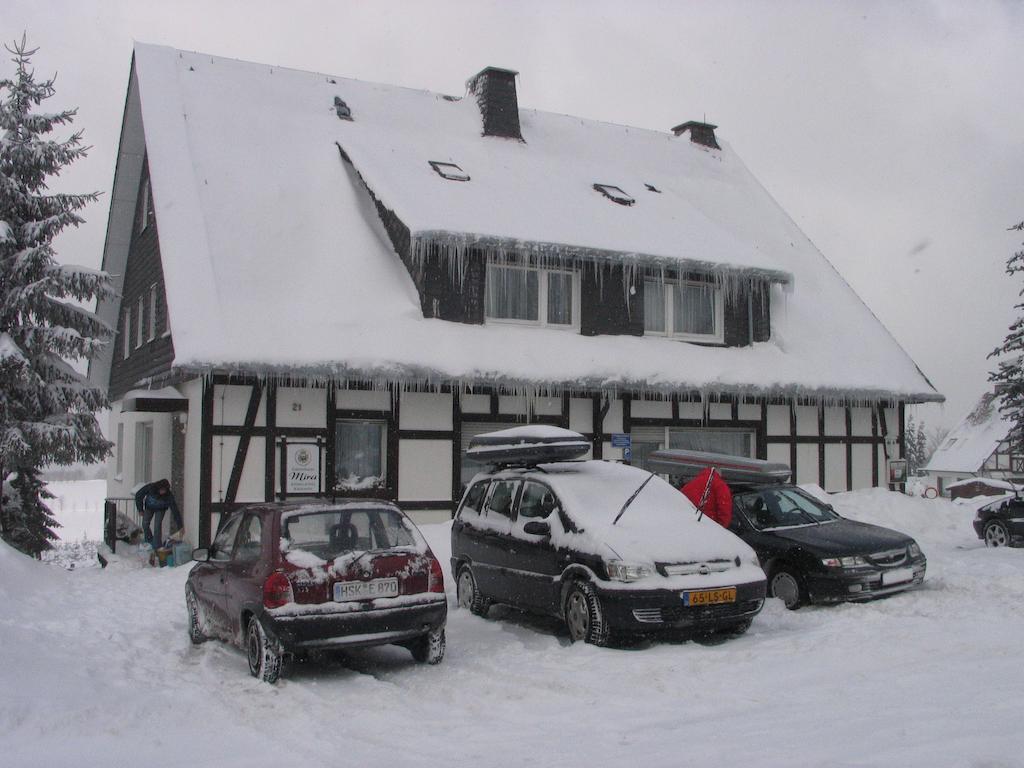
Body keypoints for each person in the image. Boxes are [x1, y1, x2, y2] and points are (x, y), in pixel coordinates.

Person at [135, 479, 183, 549]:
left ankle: (157, 546)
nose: (163, 492)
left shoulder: (168, 496)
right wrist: (140, 509)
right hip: (149, 507)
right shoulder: (151, 487)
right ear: (158, 488)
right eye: (162, 490)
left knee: (157, 526)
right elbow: (139, 495)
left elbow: (175, 510)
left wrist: (180, 526)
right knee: (145, 524)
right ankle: (149, 540)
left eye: (165, 490)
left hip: (161, 509)